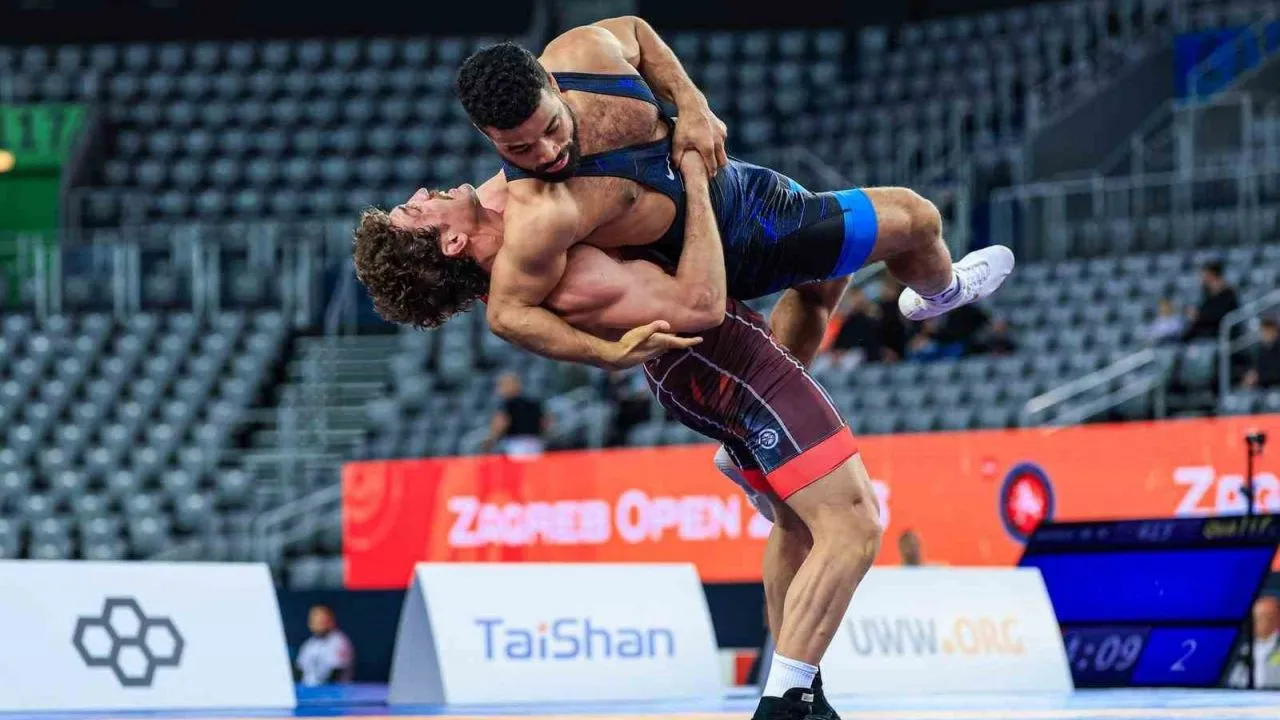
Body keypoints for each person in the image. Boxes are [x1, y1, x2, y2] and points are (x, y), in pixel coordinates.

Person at [294, 605, 354, 687]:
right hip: (308, 691)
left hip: (333, 692)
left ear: (331, 621)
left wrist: (320, 691)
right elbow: (299, 670)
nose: (317, 624)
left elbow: (336, 673)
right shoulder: (309, 644)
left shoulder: (339, 641)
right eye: (314, 620)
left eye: (321, 620)